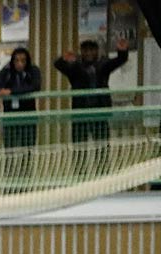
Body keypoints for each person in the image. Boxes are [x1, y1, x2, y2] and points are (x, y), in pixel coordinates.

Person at [55, 38, 131, 178]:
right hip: (80, 114)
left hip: (100, 113)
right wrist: (64, 59)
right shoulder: (75, 67)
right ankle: (80, 180)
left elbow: (119, 60)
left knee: (102, 150)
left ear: (97, 51)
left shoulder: (103, 64)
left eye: (92, 49)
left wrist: (122, 51)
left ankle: (103, 180)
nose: (89, 52)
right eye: (85, 50)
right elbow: (58, 65)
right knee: (79, 151)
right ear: (81, 52)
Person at [0, 47, 42, 175]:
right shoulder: (7, 71)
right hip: (10, 118)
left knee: (27, 151)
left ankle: (26, 178)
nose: (20, 64)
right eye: (17, 60)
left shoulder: (33, 71)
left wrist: (11, 91)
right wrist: (1, 90)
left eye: (23, 61)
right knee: (9, 152)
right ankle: (9, 180)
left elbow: (35, 86)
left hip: (28, 117)